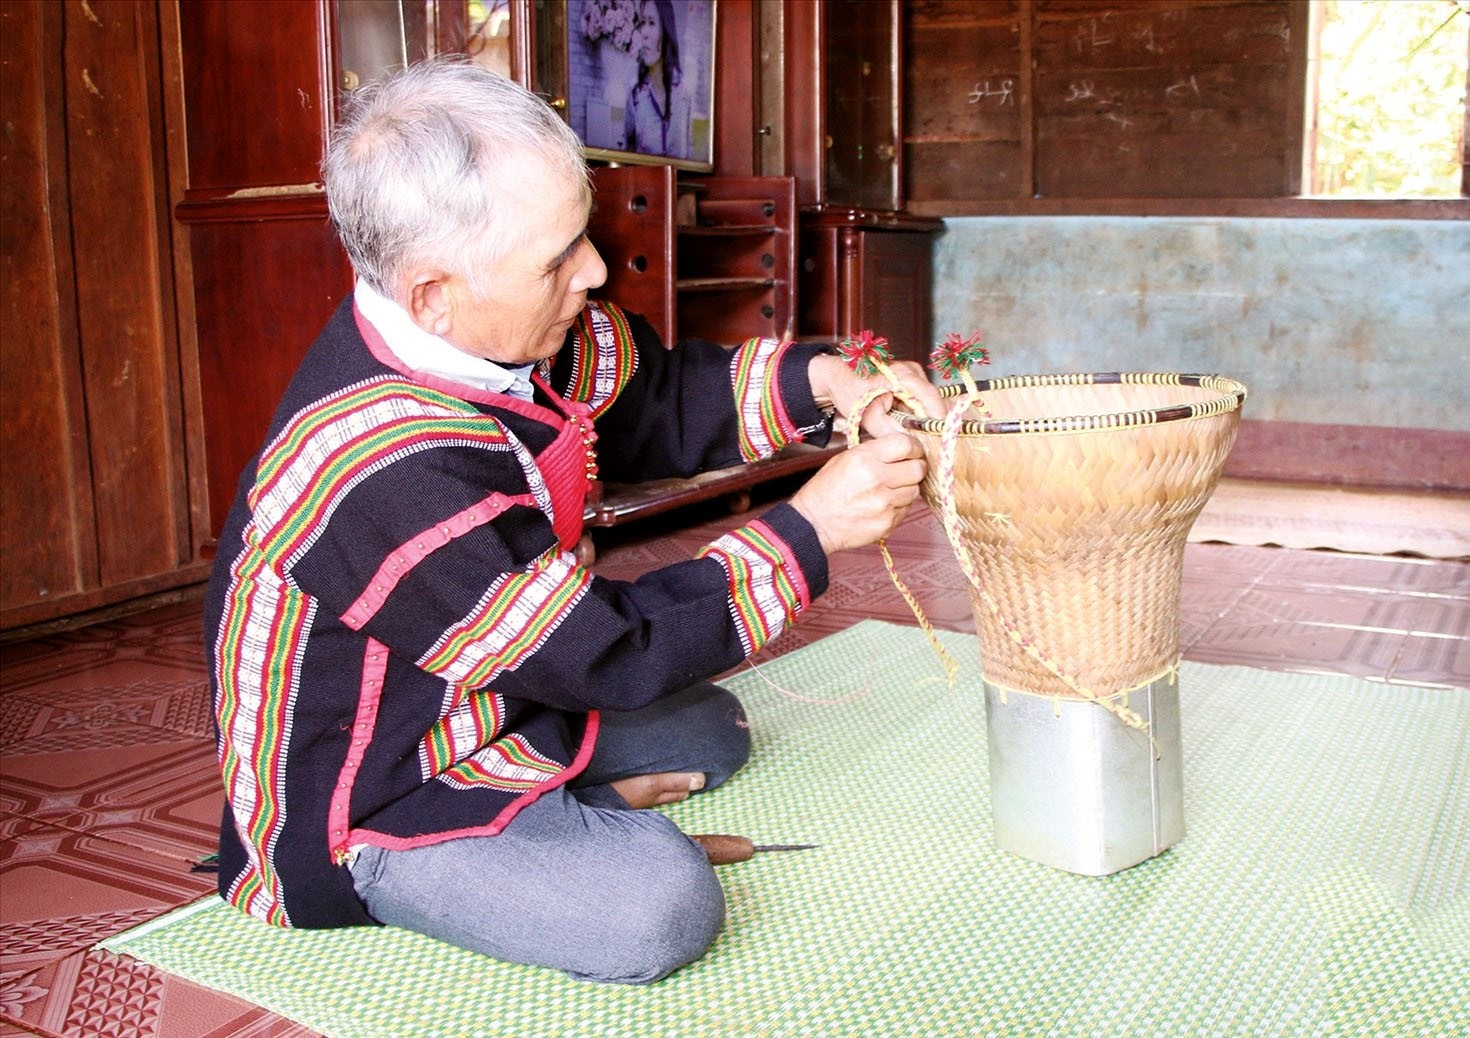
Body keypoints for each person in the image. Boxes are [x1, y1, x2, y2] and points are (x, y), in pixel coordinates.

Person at [204, 55, 940, 985]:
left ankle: (540, 809)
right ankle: (442, 858)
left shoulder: (501, 330)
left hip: (494, 695)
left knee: (710, 732)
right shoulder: (378, 464)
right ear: (434, 290)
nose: (593, 270)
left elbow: (665, 400)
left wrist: (825, 378)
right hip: (373, 787)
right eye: (558, 259)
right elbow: (603, 652)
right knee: (655, 908)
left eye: (582, 236)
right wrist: (812, 529)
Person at [622, 0, 691, 158]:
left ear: (666, 30)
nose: (644, 33)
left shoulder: (684, 91)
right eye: (642, 23)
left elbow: (689, 152)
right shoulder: (635, 92)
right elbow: (626, 150)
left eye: (652, 23)